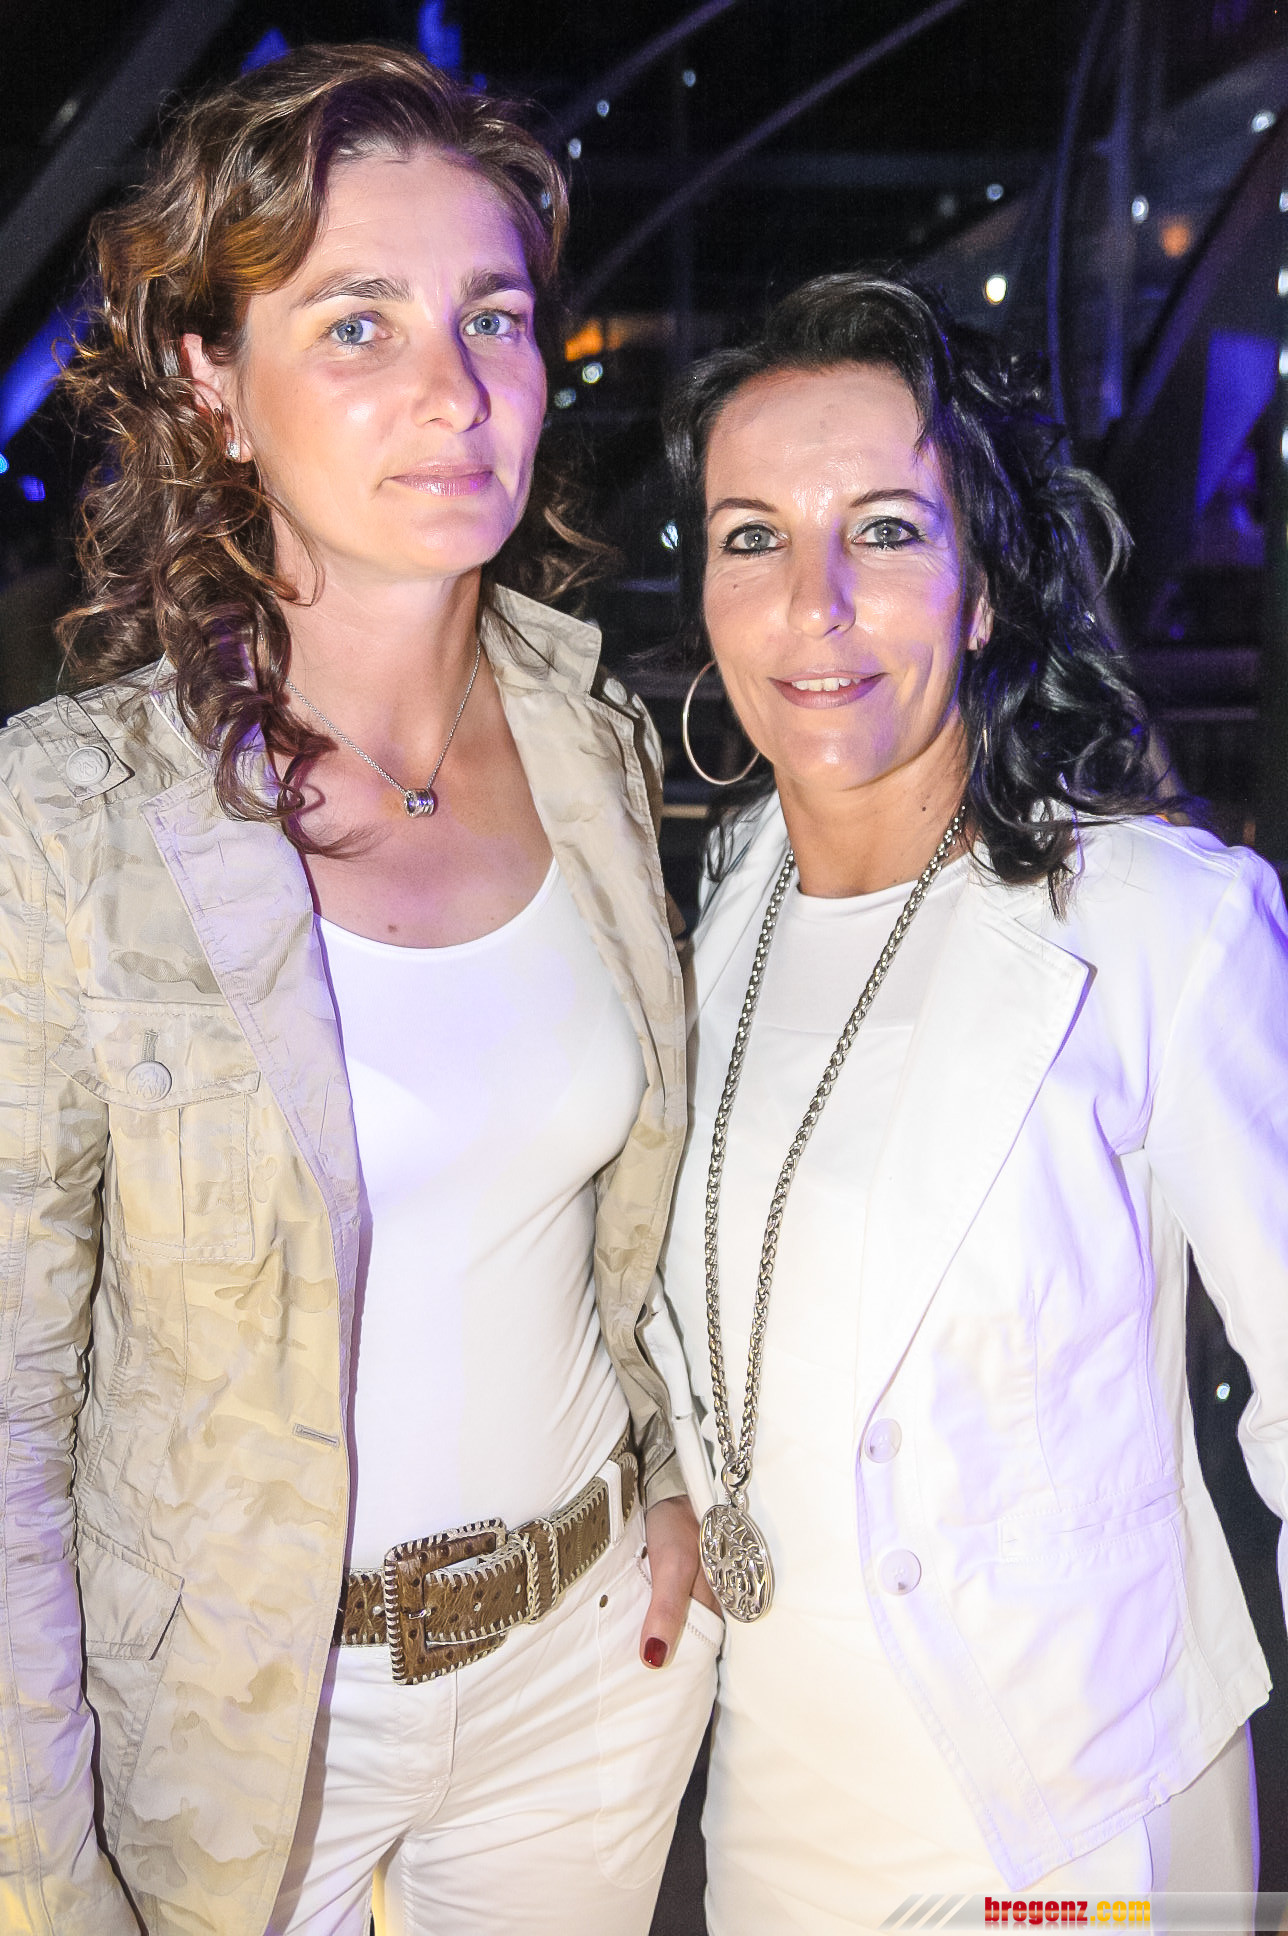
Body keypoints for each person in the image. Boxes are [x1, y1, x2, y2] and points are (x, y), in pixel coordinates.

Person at [0, 45, 720, 1936]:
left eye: (492, 315)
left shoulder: (588, 741)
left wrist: (662, 1468)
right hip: (248, 1731)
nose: (452, 389)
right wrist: (40, 1879)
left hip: (590, 1678)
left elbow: (611, 1214)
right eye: (355, 323)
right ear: (210, 382)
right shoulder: (68, 819)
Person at [654, 272, 1288, 1931]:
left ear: (986, 586)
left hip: (1072, 1831)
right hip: (772, 1821)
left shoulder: (1157, 926)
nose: (813, 608)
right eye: (751, 539)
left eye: (883, 532)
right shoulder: (718, 904)